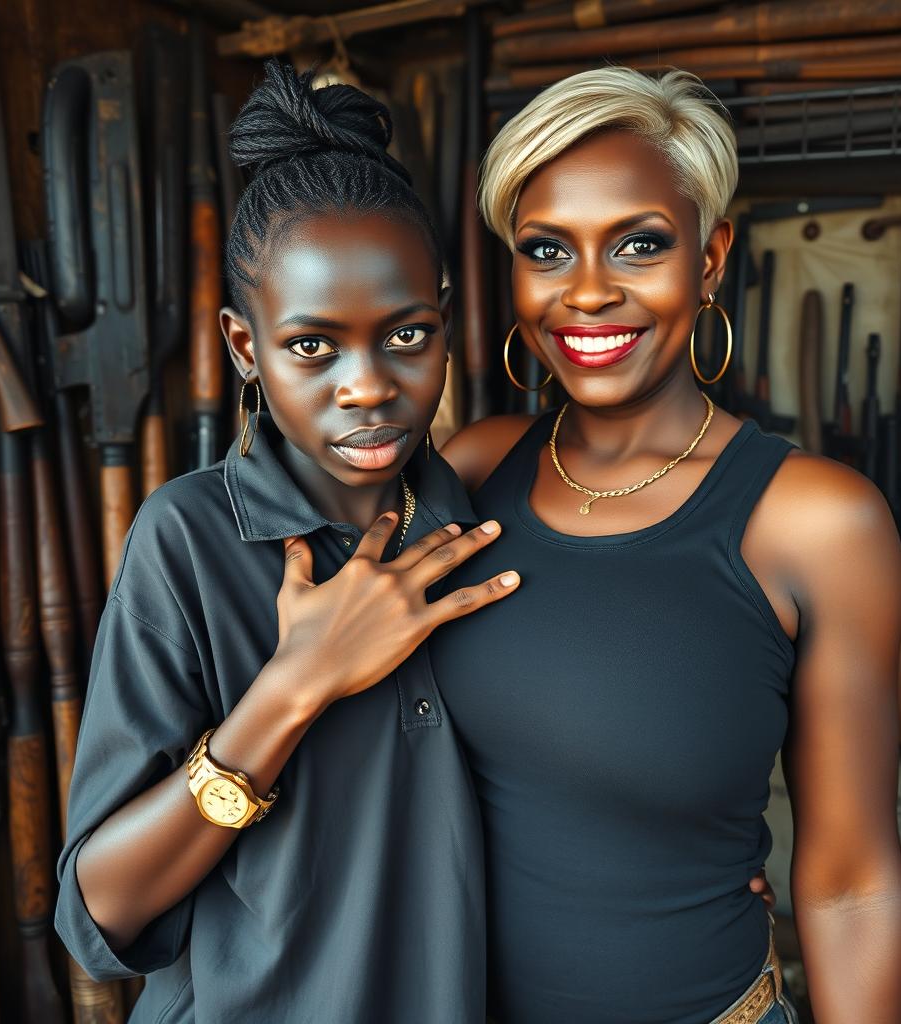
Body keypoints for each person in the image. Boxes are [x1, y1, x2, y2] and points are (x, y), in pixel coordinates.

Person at [434, 67, 901, 1024]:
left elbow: (852, 880)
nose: (590, 293)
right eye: (547, 251)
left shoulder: (815, 522)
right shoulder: (473, 470)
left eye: (640, 244)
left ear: (710, 257)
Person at [55, 62, 523, 1023]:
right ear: (244, 348)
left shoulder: (480, 529)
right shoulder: (188, 541)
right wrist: (295, 685)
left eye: (406, 336)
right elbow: (97, 917)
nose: (366, 386)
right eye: (313, 346)